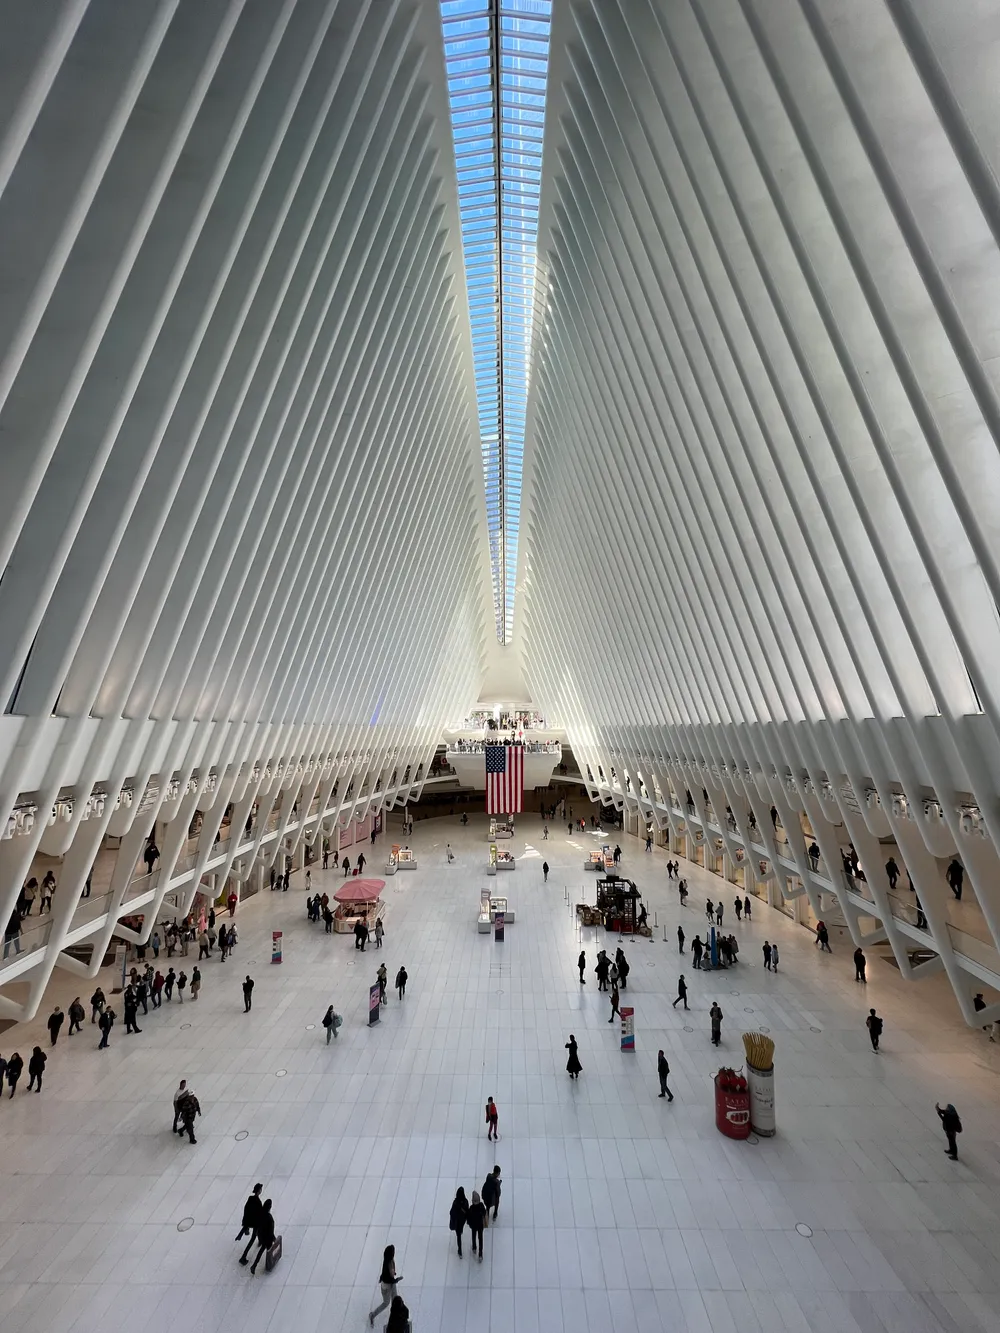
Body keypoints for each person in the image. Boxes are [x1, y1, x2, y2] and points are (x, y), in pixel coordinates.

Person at [368, 1244, 401, 1325]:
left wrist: (394, 1276)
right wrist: (396, 1280)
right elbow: (387, 1278)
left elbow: (389, 1273)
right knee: (386, 1303)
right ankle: (373, 1315)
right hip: (387, 1286)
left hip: (391, 1283)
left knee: (395, 1299)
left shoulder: (389, 1260)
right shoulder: (388, 1263)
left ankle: (396, 1316)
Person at [241, 1197, 274, 1272]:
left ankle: (254, 1265)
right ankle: (263, 1264)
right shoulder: (269, 1217)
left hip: (261, 1235)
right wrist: (273, 1238)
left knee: (261, 1250)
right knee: (267, 1250)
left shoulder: (261, 1213)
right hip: (267, 1238)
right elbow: (271, 1229)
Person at [468, 1189, 487, 1261]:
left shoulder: (471, 1208)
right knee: (480, 1238)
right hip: (480, 1225)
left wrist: (470, 1224)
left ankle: (474, 1247)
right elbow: (484, 1213)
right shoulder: (481, 1206)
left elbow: (468, 1218)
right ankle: (480, 1254)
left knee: (473, 1236)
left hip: (473, 1225)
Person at [449, 1187, 469, 1256]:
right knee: (460, 1229)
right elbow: (467, 1210)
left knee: (458, 1236)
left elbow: (451, 1212)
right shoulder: (465, 1201)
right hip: (462, 1220)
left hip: (457, 1221)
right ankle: (461, 1231)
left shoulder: (455, 1203)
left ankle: (460, 1250)